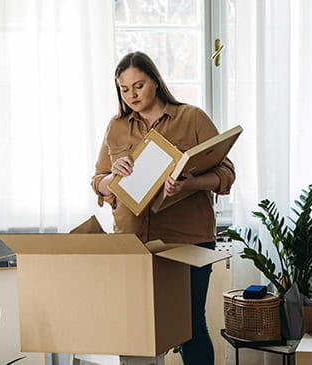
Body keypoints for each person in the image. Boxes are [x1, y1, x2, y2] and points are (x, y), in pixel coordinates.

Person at [91, 51, 235, 364]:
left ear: (155, 81)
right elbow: (98, 181)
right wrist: (112, 176)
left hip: (188, 239)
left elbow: (226, 173)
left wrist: (190, 184)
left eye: (138, 86)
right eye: (124, 89)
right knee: (139, 328)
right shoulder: (116, 127)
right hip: (133, 243)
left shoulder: (191, 117)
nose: (131, 95)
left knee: (190, 327)